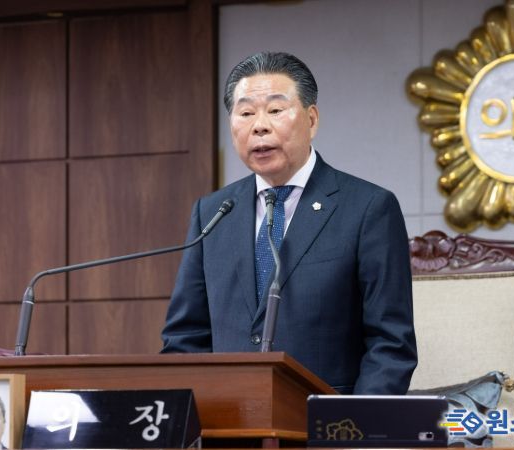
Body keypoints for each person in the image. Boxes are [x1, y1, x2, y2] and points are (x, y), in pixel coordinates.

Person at [161, 51, 417, 394]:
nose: (259, 125)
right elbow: (185, 338)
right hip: (227, 420)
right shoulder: (212, 212)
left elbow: (391, 344)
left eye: (275, 110)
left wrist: (353, 422)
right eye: (246, 113)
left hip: (327, 420)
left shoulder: (368, 208)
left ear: (311, 120)